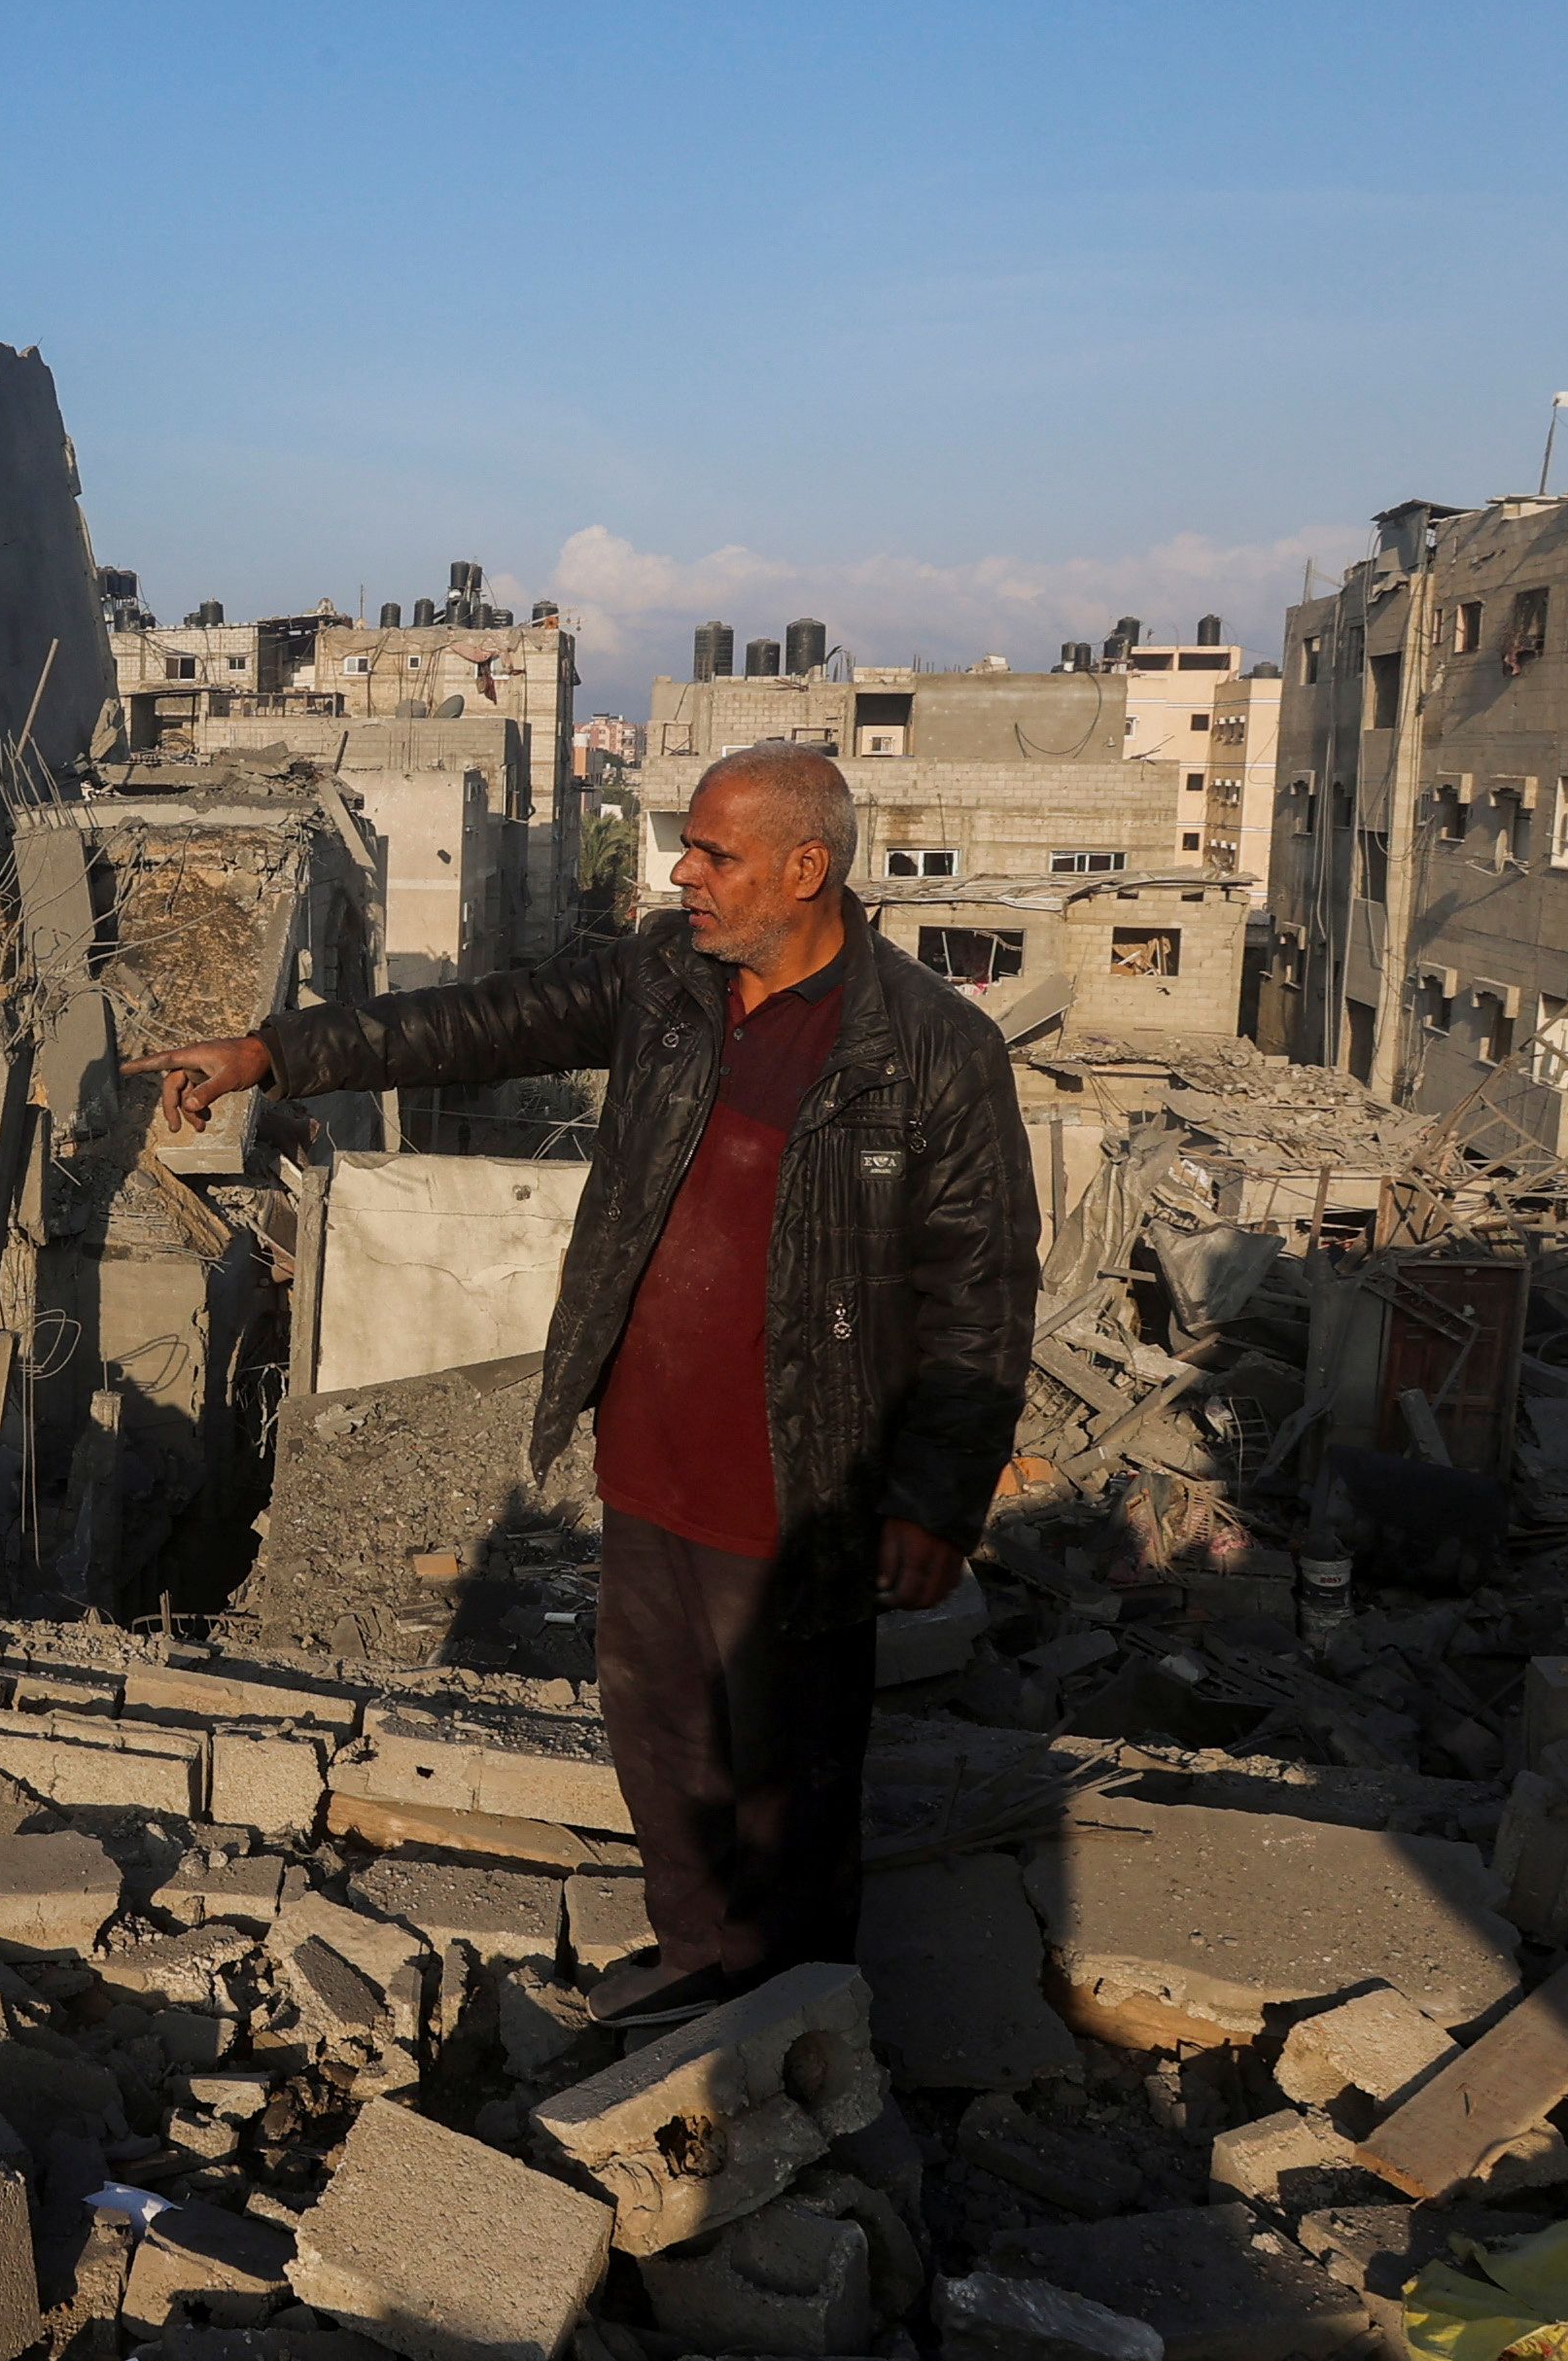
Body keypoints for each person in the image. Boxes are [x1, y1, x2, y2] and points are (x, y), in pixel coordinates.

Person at [143, 740, 1036, 2004]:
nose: (681, 872)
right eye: (686, 845)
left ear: (805, 867)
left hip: (801, 1487)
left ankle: (792, 2021)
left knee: (787, 1774)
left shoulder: (929, 1051)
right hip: (650, 1454)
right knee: (656, 1731)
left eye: (712, 853)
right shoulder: (668, 979)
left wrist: (938, 1503)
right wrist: (272, 1054)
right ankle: (697, 1961)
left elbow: (981, 1300)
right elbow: (481, 1023)